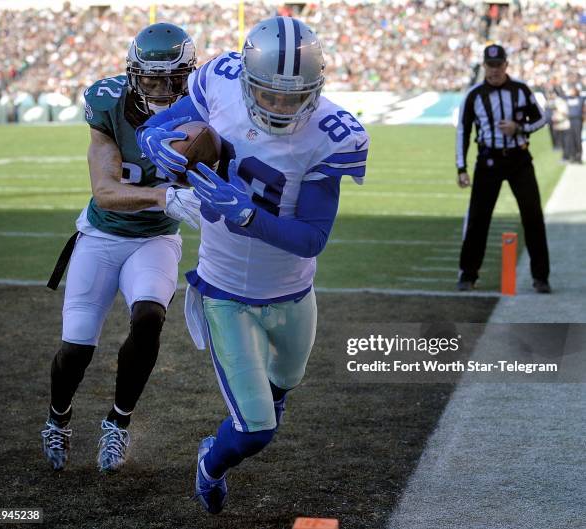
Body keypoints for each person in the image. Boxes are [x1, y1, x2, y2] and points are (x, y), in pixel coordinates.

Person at [137, 16, 369, 514]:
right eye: (269, 93)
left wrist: (247, 215)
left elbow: (311, 238)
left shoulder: (331, 134)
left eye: (293, 95)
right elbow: (162, 126)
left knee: (285, 387)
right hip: (226, 293)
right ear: (245, 78)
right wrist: (154, 140)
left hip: (292, 292)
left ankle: (256, 414)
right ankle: (209, 465)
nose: (281, 105)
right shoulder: (219, 80)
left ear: (317, 86)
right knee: (256, 427)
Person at [41, 23, 200, 472]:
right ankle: (58, 417)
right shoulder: (107, 104)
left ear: (188, 76)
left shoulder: (205, 108)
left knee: (149, 316)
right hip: (103, 235)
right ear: (133, 75)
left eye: (172, 79)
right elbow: (106, 191)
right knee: (77, 347)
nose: (162, 89)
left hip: (155, 238)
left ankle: (118, 421)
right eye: (151, 79)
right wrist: (163, 196)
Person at [455, 44, 551, 294]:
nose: (494, 70)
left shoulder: (520, 90)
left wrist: (520, 129)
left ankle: (541, 277)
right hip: (488, 161)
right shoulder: (474, 95)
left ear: (506, 65)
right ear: (484, 65)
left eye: (498, 65)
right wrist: (461, 167)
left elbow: (541, 118)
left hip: (519, 159)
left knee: (533, 217)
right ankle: (468, 274)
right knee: (478, 218)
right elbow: (463, 131)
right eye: (490, 65)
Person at [564, 86, 584, 164]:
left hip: (577, 121)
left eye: (572, 91)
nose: (571, 93)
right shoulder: (568, 98)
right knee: (571, 139)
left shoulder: (580, 98)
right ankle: (573, 156)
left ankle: (579, 157)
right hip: (569, 121)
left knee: (577, 139)